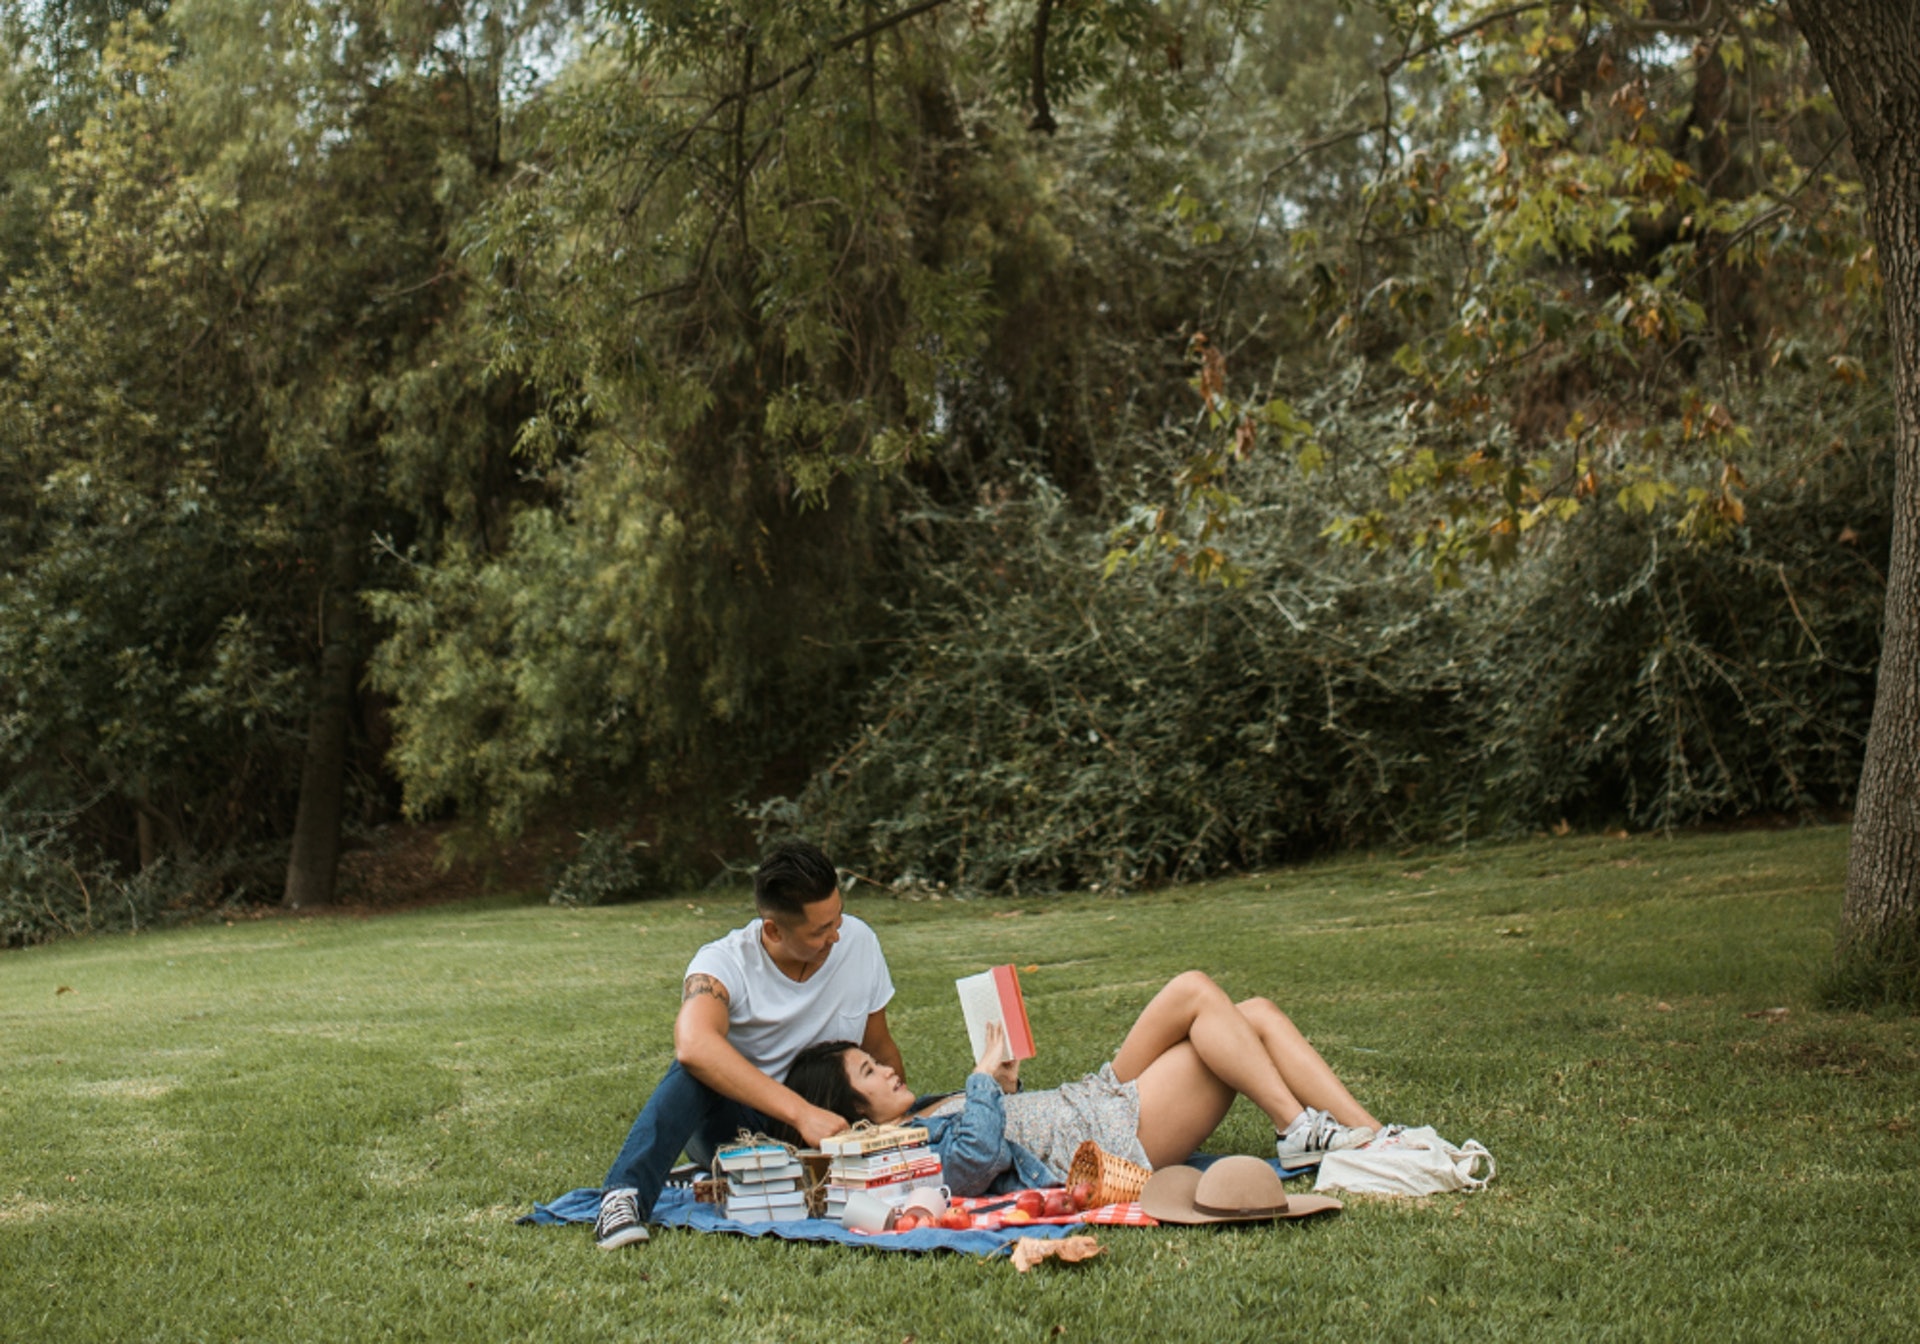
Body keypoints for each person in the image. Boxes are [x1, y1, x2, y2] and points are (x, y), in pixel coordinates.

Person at [782, 971, 1380, 1196]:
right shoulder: (906, 1154)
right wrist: (982, 1081)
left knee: (1253, 1011)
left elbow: (1005, 1128)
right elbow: (972, 1167)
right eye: (869, 1072)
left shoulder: (924, 1112)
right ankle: (1298, 1130)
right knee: (1202, 998)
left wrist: (1005, 1085)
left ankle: (1375, 1136)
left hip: (1094, 1097)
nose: (888, 1067)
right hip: (1114, 1137)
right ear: (857, 1116)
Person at [592, 839, 902, 1249]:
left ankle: (725, 1176)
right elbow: (693, 1044)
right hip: (740, 1125)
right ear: (773, 929)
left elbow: (878, 1044)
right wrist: (801, 1113)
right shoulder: (723, 963)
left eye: (838, 918)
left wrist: (901, 1121)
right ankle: (623, 1195)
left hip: (832, 1129)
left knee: (949, 1103)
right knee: (694, 1069)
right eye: (820, 930)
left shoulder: (859, 942)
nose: (837, 936)